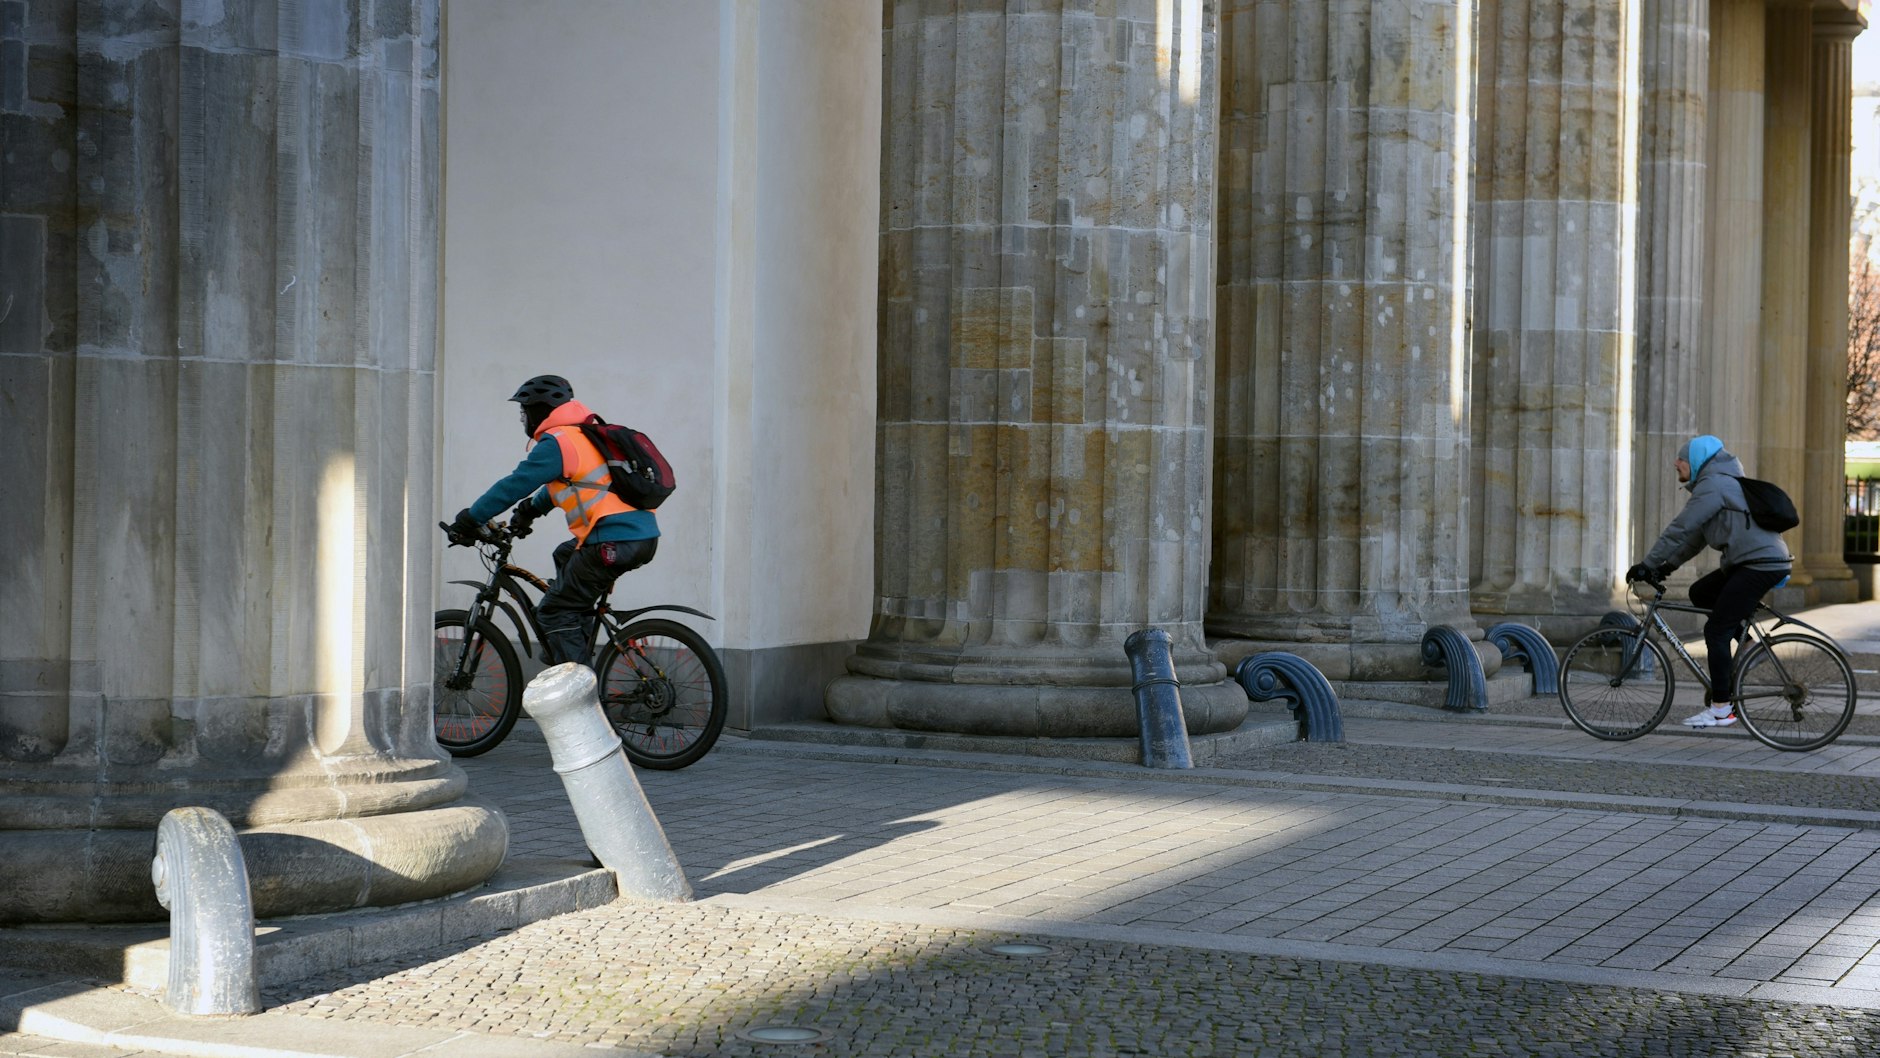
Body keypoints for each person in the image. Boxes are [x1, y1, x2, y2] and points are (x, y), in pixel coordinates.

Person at [449, 375, 659, 666]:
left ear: (539, 410)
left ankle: (579, 693)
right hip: (639, 535)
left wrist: (471, 518)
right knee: (564, 554)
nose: (523, 418)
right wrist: (529, 512)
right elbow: (573, 484)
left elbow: (516, 483)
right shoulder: (584, 435)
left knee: (554, 611)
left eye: (524, 411)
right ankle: (575, 637)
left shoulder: (558, 441)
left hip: (612, 540)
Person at [1627, 434, 1792, 728]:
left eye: (1681, 461)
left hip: (1759, 564)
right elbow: (1696, 538)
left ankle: (1721, 708)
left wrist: (1646, 564)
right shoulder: (1721, 484)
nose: (1676, 465)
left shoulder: (1714, 485)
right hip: (1753, 562)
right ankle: (1750, 645)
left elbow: (1680, 528)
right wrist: (1666, 567)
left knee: (1716, 631)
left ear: (1697, 461)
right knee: (1701, 592)